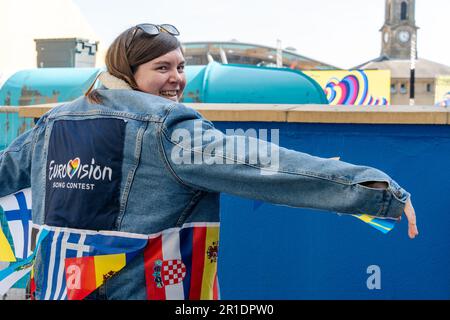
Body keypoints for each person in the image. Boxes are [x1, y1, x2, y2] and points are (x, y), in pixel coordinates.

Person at [0, 23, 418, 300]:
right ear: (127, 70)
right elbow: (263, 166)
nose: (176, 78)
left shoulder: (56, 121)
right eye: (161, 67)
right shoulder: (165, 127)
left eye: (181, 67)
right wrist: (373, 190)